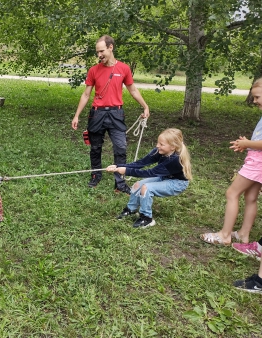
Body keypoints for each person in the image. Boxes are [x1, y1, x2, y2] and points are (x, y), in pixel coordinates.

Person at [71, 35, 150, 190]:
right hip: (97, 114)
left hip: (116, 114)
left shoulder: (124, 68)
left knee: (120, 148)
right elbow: (86, 94)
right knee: (95, 148)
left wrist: (145, 106)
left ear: (110, 47)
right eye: (97, 52)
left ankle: (119, 183)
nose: (99, 55)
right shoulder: (93, 70)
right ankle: (95, 175)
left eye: (101, 51)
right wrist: (76, 115)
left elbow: (133, 90)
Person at [200, 77, 262, 245]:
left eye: (257, 97)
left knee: (232, 193)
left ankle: (225, 235)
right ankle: (243, 234)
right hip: (258, 160)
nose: (254, 100)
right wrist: (248, 144)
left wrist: (247, 143)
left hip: (257, 164)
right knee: (251, 197)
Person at [106, 128, 192, 228]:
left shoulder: (174, 160)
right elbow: (141, 163)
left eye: (161, 144)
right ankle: (131, 209)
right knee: (138, 184)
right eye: (158, 143)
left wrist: (126, 171)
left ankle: (146, 218)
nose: (157, 146)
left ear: (172, 147)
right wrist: (117, 166)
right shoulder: (158, 151)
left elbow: (150, 173)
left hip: (177, 183)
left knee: (146, 188)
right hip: (164, 177)